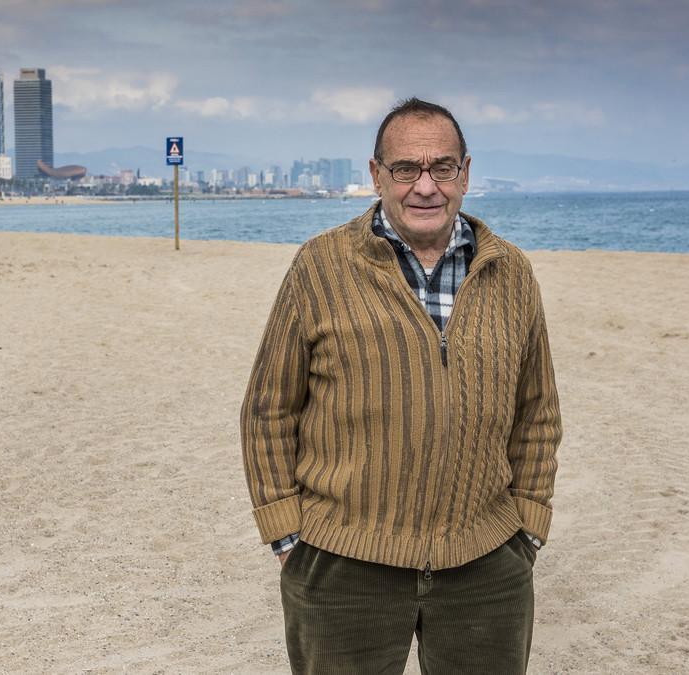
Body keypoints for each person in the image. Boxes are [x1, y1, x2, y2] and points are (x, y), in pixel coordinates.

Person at [240, 98, 562, 673]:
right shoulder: (320, 267)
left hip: (486, 560)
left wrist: (528, 528)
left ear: (465, 173)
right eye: (405, 169)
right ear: (376, 175)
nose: (425, 186)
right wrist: (286, 534)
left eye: (441, 167)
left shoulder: (511, 272)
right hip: (341, 560)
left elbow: (537, 412)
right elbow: (269, 408)